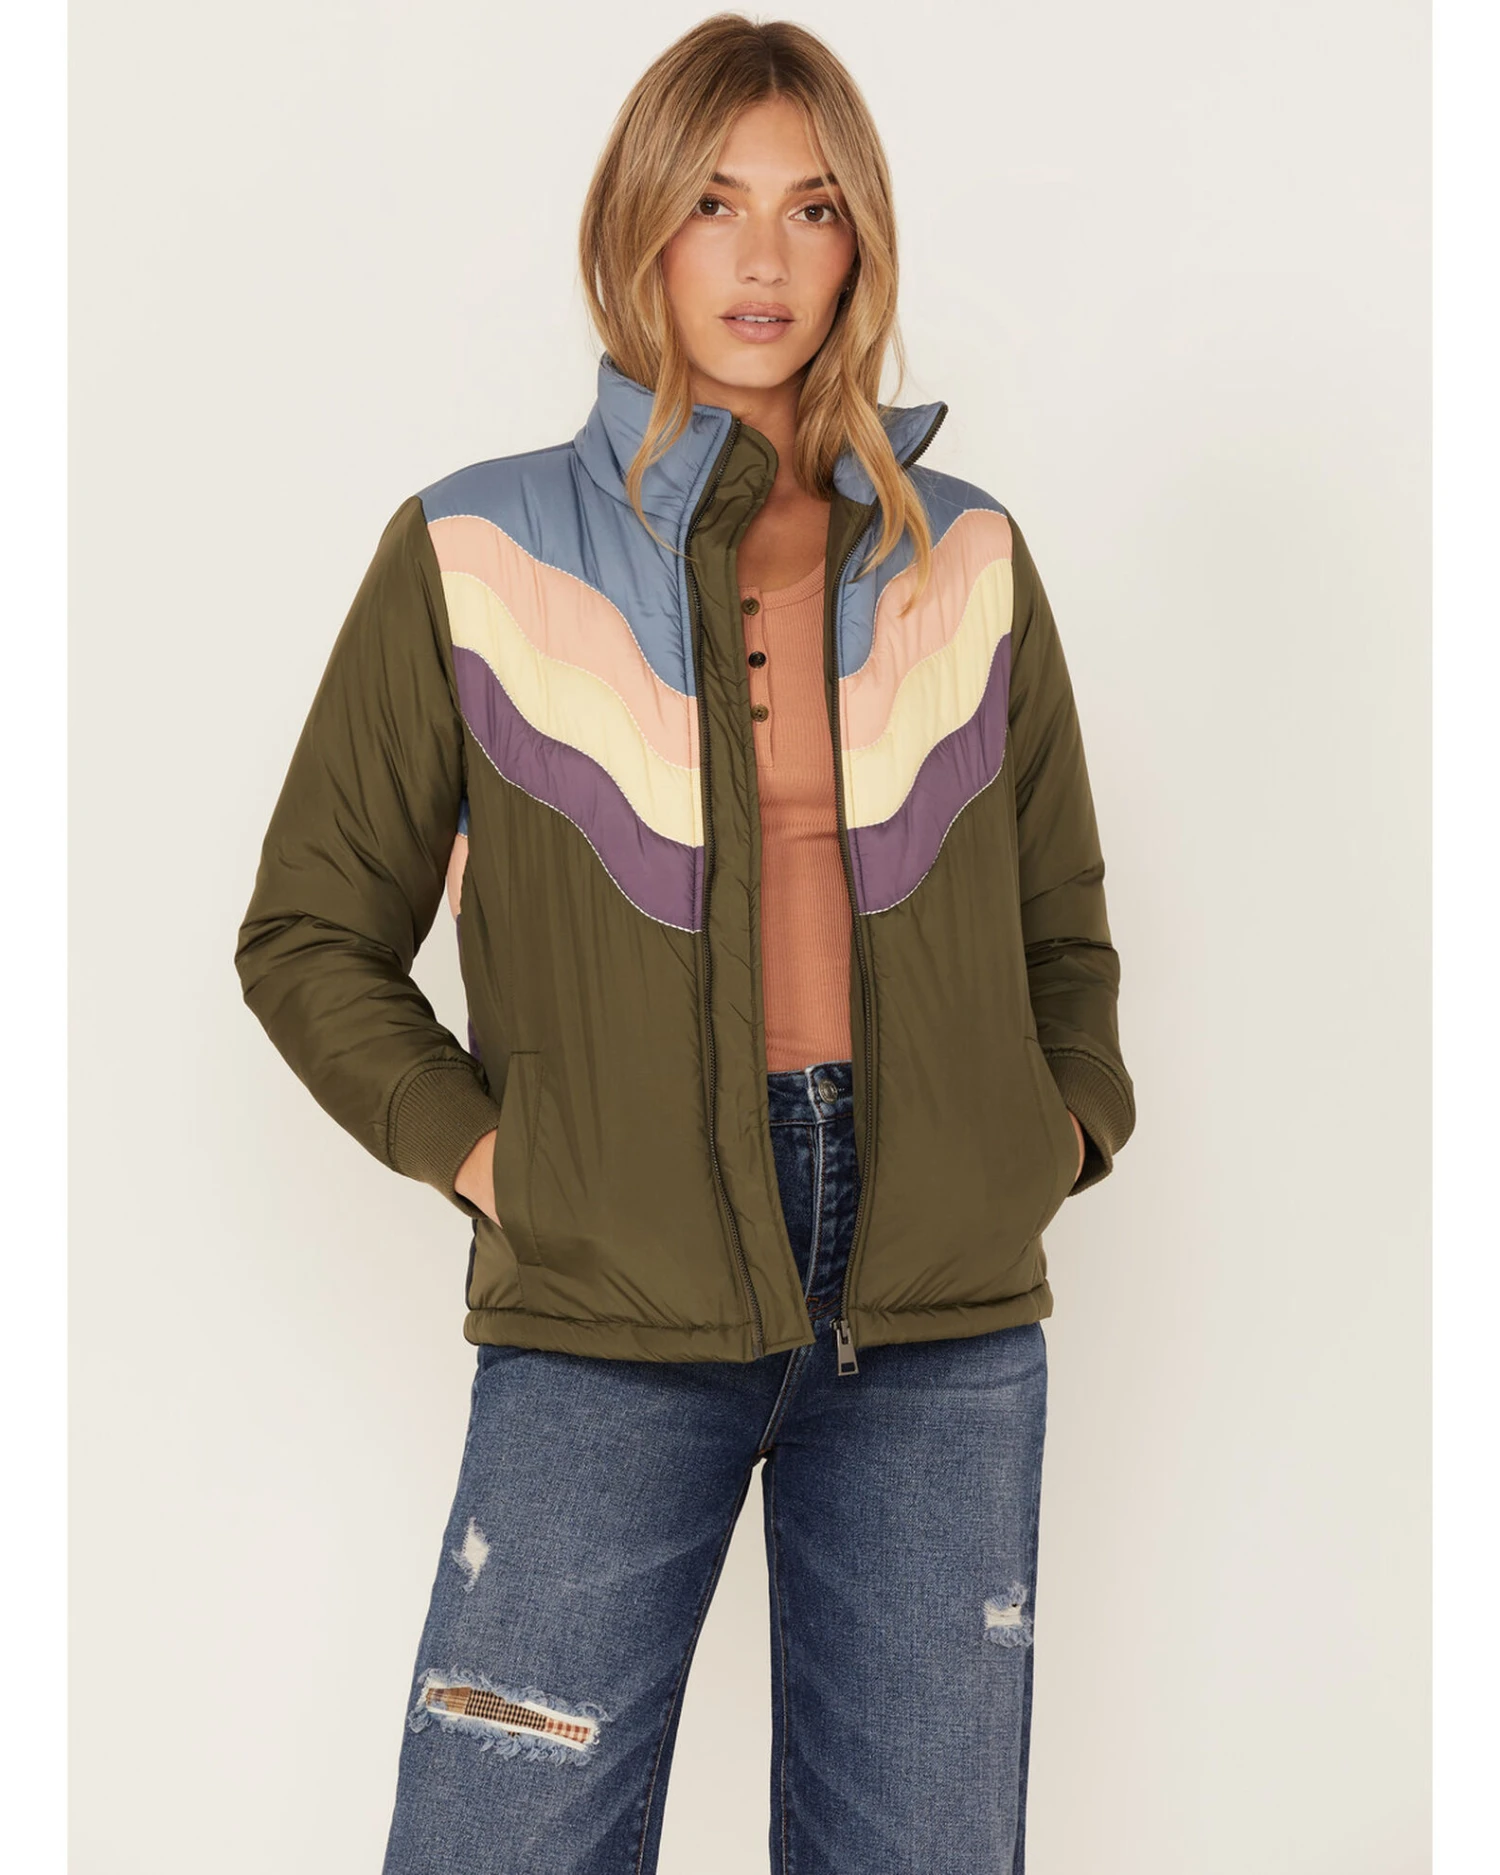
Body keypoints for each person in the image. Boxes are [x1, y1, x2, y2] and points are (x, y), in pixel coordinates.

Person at [234, 15, 1135, 1873]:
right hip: (608, 1290)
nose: (761, 257)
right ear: (637, 224)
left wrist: (1051, 1136)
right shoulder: (475, 554)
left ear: (859, 242)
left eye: (811, 208)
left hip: (939, 1319)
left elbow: (1062, 917)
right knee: (498, 1840)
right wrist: (503, 1159)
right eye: (714, 203)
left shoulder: (968, 559)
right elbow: (310, 930)